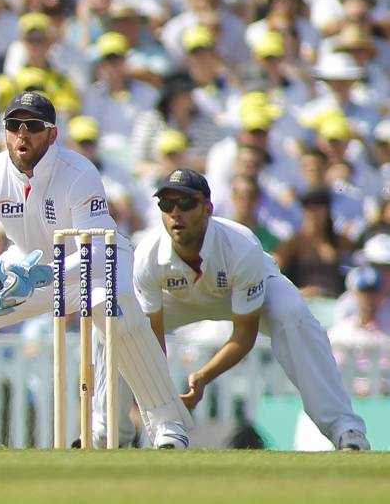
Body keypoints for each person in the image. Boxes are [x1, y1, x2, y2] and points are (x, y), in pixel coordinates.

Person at [0, 91, 193, 449]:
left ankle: (167, 425)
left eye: (33, 126)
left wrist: (44, 275)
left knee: (113, 311)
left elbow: (97, 247)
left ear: (52, 134)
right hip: (24, 267)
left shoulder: (78, 172)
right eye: (14, 125)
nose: (22, 134)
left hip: (94, 265)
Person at [116, 168, 369, 450]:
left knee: (293, 315)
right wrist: (166, 397)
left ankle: (344, 428)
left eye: (186, 203)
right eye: (167, 204)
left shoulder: (241, 246)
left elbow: (244, 335)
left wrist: (203, 377)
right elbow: (151, 344)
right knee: (118, 323)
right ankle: (112, 433)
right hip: (179, 296)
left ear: (208, 209)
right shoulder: (148, 254)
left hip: (252, 286)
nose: (176, 212)